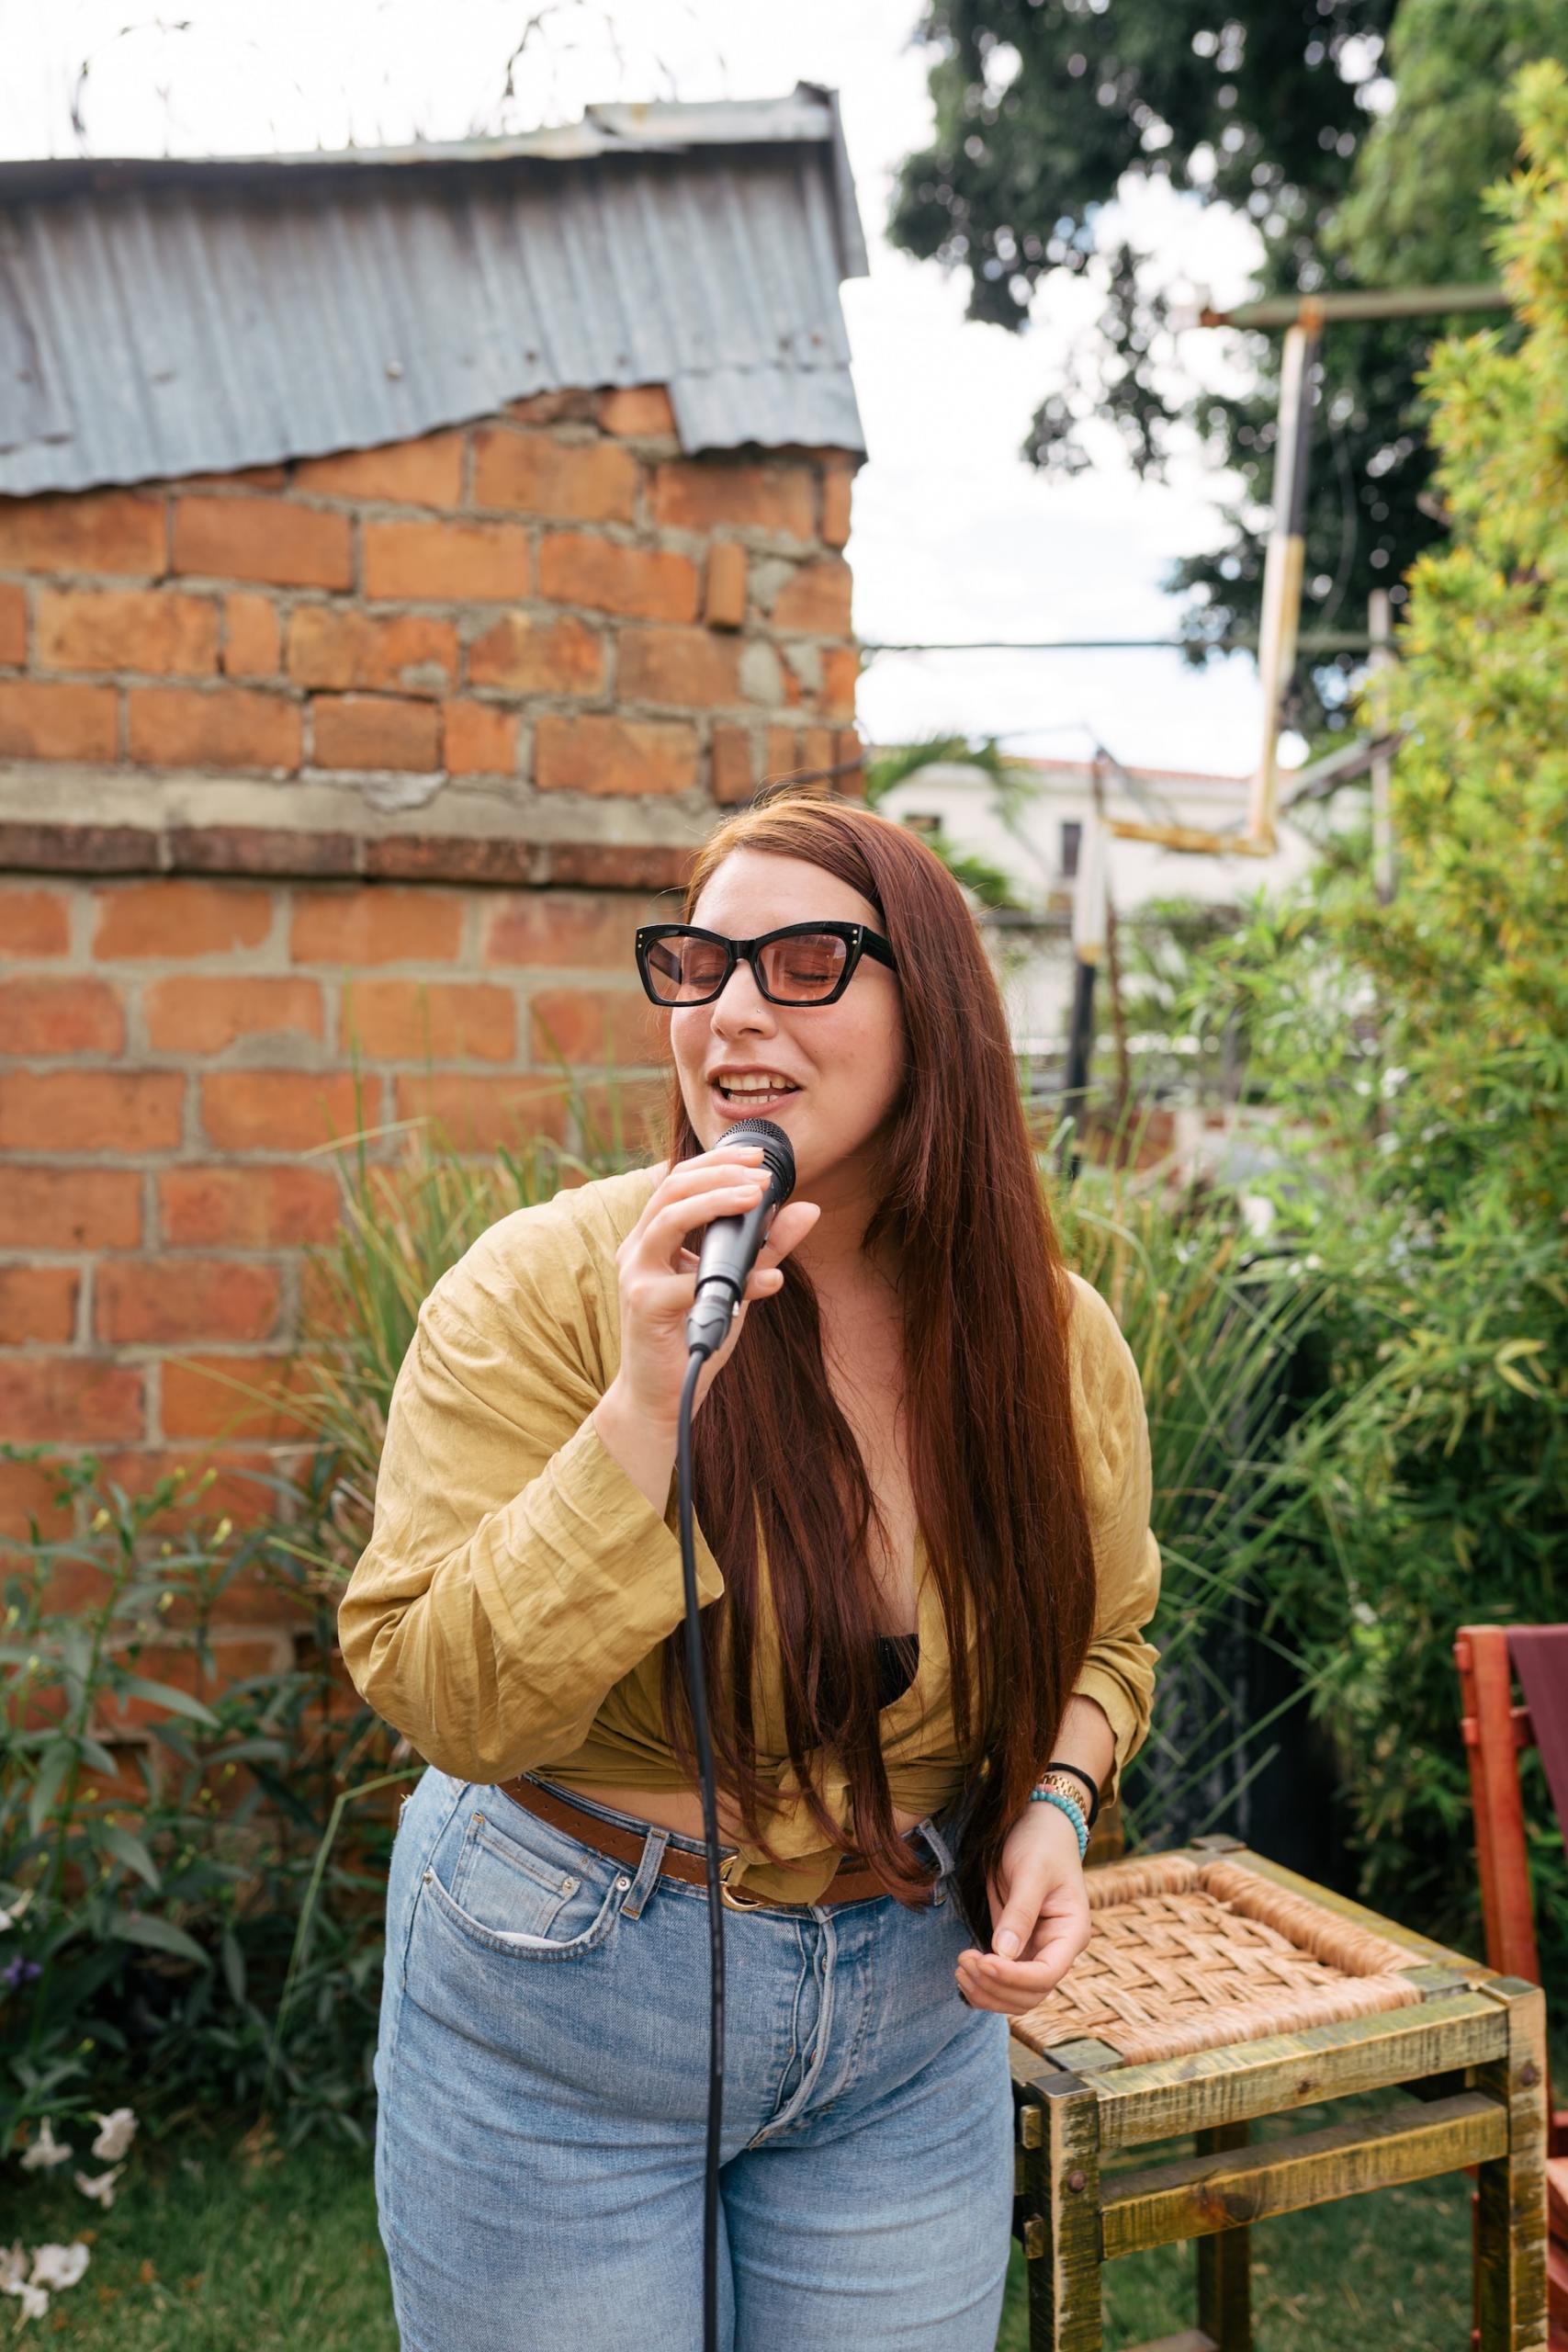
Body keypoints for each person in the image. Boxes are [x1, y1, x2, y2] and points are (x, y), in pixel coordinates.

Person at [339, 793, 1160, 2352]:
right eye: (700, 964)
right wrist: (646, 1413)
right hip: (564, 1997)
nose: (727, 1014)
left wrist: (1053, 1807)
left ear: (935, 1009)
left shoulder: (1048, 1340)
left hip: (914, 2019)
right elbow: (445, 1698)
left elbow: (1110, 1638)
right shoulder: (544, 1292)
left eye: (801, 963)